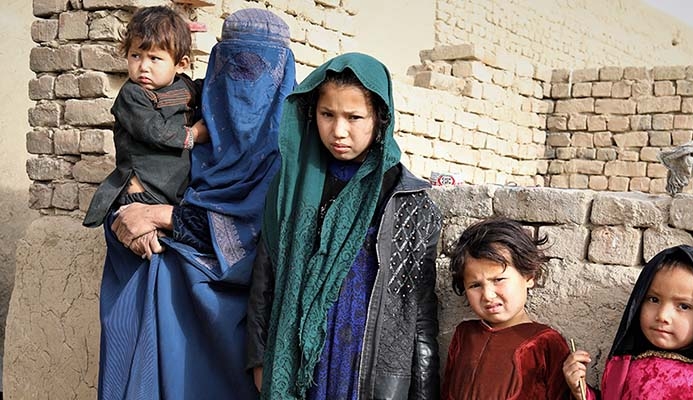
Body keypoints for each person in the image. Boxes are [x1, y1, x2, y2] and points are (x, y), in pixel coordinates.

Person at [98, 9, 295, 399]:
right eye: (234, 67)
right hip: (165, 305)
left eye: (258, 70)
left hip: (246, 316)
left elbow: (258, 234)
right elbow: (137, 174)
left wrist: (160, 216)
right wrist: (131, 210)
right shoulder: (198, 114)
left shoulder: (291, 150)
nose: (244, 85)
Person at [246, 52, 442, 400]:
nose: (338, 131)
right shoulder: (294, 187)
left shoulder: (406, 199)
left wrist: (424, 392)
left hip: (365, 370)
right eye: (327, 115)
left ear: (381, 119)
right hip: (301, 362)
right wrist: (261, 359)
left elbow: (419, 310)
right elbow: (266, 277)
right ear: (311, 113)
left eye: (354, 117)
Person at [562, 245, 693, 400]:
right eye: (653, 299)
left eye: (684, 306)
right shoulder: (626, 365)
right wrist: (581, 391)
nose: (663, 315)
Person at [83, 5, 208, 229]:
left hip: (174, 193)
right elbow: (153, 130)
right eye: (136, 56)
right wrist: (194, 134)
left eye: (154, 58)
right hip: (142, 192)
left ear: (181, 64)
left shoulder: (186, 87)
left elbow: (209, 89)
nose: (143, 67)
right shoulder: (132, 95)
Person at [441, 217, 571, 400]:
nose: (488, 295)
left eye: (498, 280)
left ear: (529, 276)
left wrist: (578, 388)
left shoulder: (546, 343)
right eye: (475, 285)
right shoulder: (465, 335)